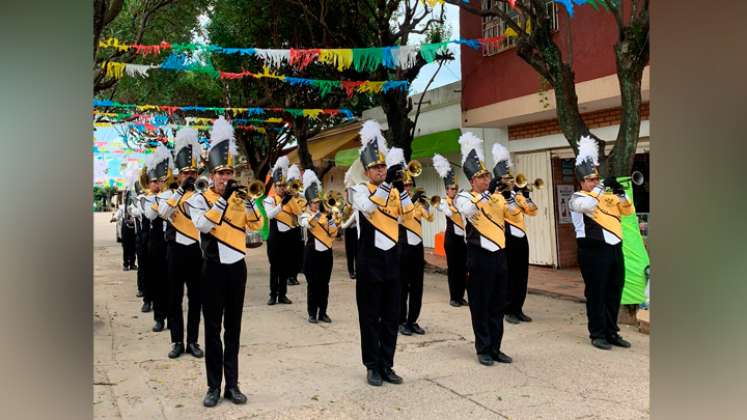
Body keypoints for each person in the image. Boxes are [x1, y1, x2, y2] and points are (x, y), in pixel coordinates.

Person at [187, 116, 264, 407]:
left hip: (237, 269)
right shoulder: (200, 198)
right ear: (212, 174)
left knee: (234, 328)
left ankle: (232, 384)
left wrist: (250, 202)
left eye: (228, 173)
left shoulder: (238, 198)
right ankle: (212, 386)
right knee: (212, 329)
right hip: (212, 269)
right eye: (220, 173)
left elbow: (256, 226)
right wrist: (222, 201)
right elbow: (203, 227)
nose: (224, 178)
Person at [350, 120, 414, 386]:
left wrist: (404, 186)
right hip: (369, 261)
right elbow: (367, 207)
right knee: (370, 316)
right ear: (366, 171)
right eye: (376, 167)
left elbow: (408, 214)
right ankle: (372, 365)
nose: (381, 170)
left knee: (390, 316)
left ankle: (388, 364)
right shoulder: (360, 189)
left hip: (392, 260)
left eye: (383, 166)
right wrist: (388, 188)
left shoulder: (394, 191)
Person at [454, 133, 520, 367]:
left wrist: (510, 195)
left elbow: (515, 214)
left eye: (487, 176)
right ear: (473, 179)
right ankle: (483, 348)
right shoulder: (464, 196)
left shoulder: (496, 197)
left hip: (499, 257)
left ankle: (496, 347)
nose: (485, 179)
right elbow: (468, 211)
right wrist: (486, 194)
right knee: (480, 305)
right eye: (481, 177)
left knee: (497, 304)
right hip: (478, 257)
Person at [568, 136, 634, 351]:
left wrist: (621, 194)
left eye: (596, 179)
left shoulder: (604, 196)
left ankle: (611, 331)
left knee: (614, 290)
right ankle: (597, 333)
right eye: (590, 180)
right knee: (596, 292)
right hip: (592, 250)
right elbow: (587, 205)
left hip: (614, 248)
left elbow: (627, 210)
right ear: (582, 182)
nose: (595, 183)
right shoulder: (577, 198)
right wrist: (601, 188)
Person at [157, 126, 204, 359]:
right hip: (175, 250)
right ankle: (176, 340)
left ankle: (193, 341)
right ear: (178, 175)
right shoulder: (168, 195)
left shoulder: (200, 195)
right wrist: (179, 193)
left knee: (196, 298)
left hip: (196, 250)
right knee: (174, 297)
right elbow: (163, 213)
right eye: (186, 173)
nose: (190, 177)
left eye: (193, 173)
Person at [489, 143, 539, 325]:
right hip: (506, 237)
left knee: (521, 274)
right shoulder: (496, 197)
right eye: (506, 179)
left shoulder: (516, 195)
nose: (510, 181)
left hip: (521, 238)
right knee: (509, 275)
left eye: (511, 178)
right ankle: (507, 309)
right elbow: (500, 212)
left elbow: (533, 211)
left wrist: (526, 196)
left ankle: (518, 308)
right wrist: (507, 196)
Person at [263, 157, 304, 305]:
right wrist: (282, 204)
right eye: (279, 185)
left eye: (283, 185)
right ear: (274, 186)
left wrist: (291, 199)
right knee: (275, 267)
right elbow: (269, 215)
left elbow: (299, 213)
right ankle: (273, 295)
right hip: (275, 237)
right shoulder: (269, 200)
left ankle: (283, 295)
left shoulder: (290, 198)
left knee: (286, 267)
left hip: (288, 237)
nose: (281, 188)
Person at [298, 170, 338, 324]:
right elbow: (307, 224)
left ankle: (323, 312)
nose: (316, 204)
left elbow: (333, 233)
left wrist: (331, 220)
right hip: (312, 253)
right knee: (313, 285)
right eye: (314, 202)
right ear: (308, 203)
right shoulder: (304, 215)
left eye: (317, 202)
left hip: (326, 253)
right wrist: (319, 215)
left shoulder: (325, 215)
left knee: (324, 284)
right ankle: (312, 312)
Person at [142, 143, 172, 332]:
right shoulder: (148, 198)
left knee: (173, 283)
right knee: (159, 281)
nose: (158, 184)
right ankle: (160, 317)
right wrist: (160, 197)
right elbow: (150, 215)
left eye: (161, 180)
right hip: (156, 243)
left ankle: (173, 318)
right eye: (155, 181)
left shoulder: (173, 194)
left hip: (173, 242)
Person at [397, 173, 433, 336]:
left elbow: (430, 218)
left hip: (417, 248)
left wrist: (425, 205)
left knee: (417, 287)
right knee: (402, 287)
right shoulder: (395, 200)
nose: (408, 187)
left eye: (410, 184)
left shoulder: (417, 201)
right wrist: (411, 200)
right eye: (405, 185)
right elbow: (398, 217)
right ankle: (401, 320)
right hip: (403, 247)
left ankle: (412, 320)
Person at [432, 154, 467, 307]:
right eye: (451, 189)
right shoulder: (443, 202)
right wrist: (452, 202)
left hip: (462, 239)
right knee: (453, 269)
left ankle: (461, 296)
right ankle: (454, 297)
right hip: (451, 240)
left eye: (455, 188)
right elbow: (448, 212)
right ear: (446, 190)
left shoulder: (460, 200)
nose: (454, 190)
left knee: (463, 269)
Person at [287, 164, 304, 286]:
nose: (293, 188)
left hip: (298, 228)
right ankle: (289, 276)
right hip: (287, 228)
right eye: (291, 184)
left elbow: (301, 212)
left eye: (295, 184)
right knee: (289, 254)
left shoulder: (303, 199)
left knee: (297, 253)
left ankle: (294, 275)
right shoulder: (286, 199)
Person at [340, 183, 358, 280]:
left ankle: (358, 270)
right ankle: (351, 271)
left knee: (357, 251)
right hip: (348, 230)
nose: (348, 194)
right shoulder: (343, 205)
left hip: (356, 229)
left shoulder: (357, 204)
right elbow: (341, 218)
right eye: (347, 192)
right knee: (350, 252)